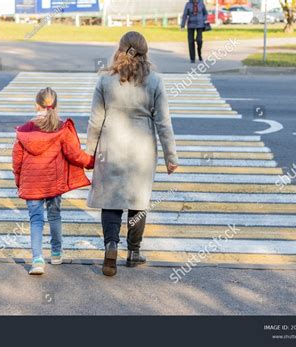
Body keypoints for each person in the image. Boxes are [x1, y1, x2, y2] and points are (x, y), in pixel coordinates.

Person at [86, 31, 178, 277]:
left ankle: (111, 246)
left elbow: (95, 121)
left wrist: (89, 152)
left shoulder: (105, 80)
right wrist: (171, 157)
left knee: (111, 200)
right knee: (138, 200)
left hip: (110, 146)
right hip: (141, 150)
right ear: (145, 53)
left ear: (120, 50)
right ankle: (134, 252)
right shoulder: (155, 81)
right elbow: (164, 122)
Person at [12, 87, 95, 275]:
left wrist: (19, 181)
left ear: (36, 105)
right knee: (55, 215)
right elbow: (74, 154)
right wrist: (93, 162)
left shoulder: (25, 131)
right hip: (53, 183)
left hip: (31, 183)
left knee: (36, 220)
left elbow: (16, 160)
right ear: (56, 106)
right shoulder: (61, 128)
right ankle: (56, 253)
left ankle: (37, 260)